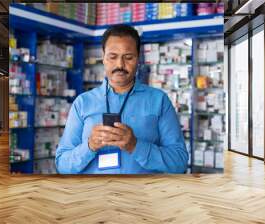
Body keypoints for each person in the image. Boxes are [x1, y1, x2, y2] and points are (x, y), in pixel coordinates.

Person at [55, 24, 188, 174]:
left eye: (128, 57)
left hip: (142, 195)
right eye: (113, 57)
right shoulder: (83, 103)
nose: (120, 64)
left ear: (138, 59)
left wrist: (136, 146)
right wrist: (89, 146)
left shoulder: (159, 100)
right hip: (94, 195)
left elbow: (179, 162)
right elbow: (62, 165)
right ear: (103, 58)